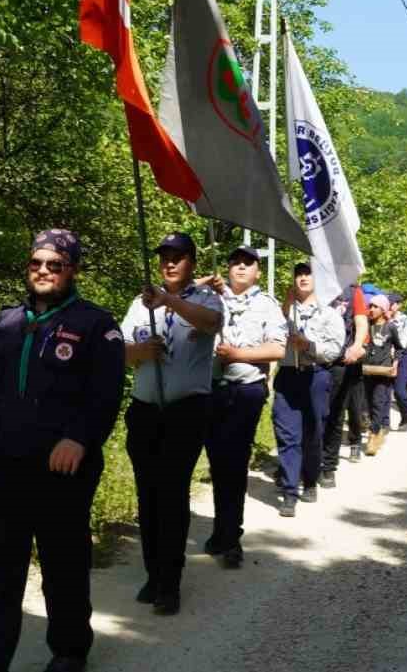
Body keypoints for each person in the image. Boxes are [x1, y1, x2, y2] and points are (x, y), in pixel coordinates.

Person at [0, 229, 126, 672]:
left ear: (72, 270)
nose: (43, 271)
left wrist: (79, 438)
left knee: (63, 565)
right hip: (0, 469)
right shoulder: (6, 321)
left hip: (61, 472)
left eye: (55, 264)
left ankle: (69, 650)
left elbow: (105, 395)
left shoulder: (96, 324)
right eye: (36, 263)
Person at [120, 232, 224, 616]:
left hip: (185, 410)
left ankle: (171, 582)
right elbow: (117, 350)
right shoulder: (139, 304)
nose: (169, 262)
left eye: (178, 256)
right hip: (146, 410)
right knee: (148, 495)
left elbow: (212, 323)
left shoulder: (205, 299)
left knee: (172, 493)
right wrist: (138, 351)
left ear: (191, 262)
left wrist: (170, 302)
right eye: (164, 256)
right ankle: (153, 573)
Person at [203, 246, 285, 566]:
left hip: (246, 390)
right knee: (216, 461)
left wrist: (239, 355)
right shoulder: (211, 299)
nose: (239, 267)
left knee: (234, 462)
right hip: (211, 390)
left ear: (257, 271)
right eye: (234, 262)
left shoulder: (267, 305)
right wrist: (203, 284)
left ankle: (231, 537)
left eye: (247, 263)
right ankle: (221, 527)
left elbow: (277, 348)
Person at [273, 262, 345, 515]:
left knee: (313, 431)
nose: (303, 278)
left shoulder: (329, 312)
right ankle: (290, 489)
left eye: (308, 273)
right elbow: (272, 334)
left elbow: (336, 349)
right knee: (287, 433)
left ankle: (311, 479)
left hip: (315, 375)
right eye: (299, 274)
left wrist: (309, 346)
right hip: (288, 375)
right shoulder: (283, 309)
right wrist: (284, 306)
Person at [320, 281, 369, 484]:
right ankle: (303, 462)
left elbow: (361, 322)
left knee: (335, 413)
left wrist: (357, 346)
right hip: (314, 357)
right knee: (310, 413)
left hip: (342, 360)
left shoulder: (353, 291)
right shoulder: (315, 284)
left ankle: (328, 465)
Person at [360, 294, 403, 455]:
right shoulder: (365, 325)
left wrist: (396, 363)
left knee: (378, 404)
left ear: (383, 309)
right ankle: (375, 430)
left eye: (375, 307)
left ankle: (373, 436)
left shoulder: (390, 327)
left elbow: (399, 348)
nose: (371, 309)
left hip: (383, 371)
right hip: (366, 370)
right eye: (370, 306)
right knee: (367, 405)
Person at [388, 293, 407, 432]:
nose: (389, 305)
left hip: (404, 356)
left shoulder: (405, 320)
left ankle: (406, 414)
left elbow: (404, 340)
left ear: (398, 305)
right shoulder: (383, 318)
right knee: (384, 392)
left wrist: (395, 349)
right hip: (386, 356)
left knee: (399, 391)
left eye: (392, 303)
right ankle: (383, 423)